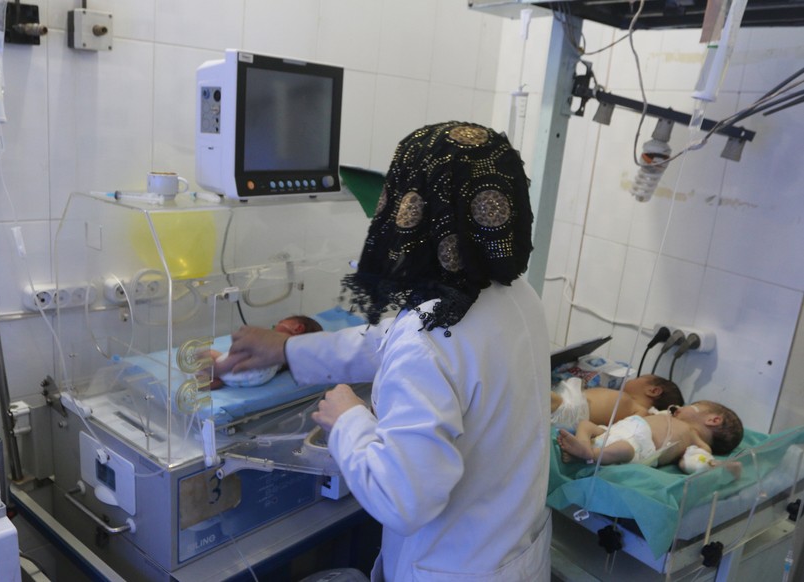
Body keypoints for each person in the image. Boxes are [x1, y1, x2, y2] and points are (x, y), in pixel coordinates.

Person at [216, 121, 552, 581]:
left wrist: (347, 419)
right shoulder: (511, 294)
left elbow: (402, 501)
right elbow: (388, 339)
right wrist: (289, 349)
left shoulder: (429, 337)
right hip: (513, 556)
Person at [556, 400, 744, 470]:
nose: (679, 407)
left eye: (692, 405)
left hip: (639, 447)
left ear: (713, 420)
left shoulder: (698, 442)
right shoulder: (666, 416)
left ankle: (591, 455)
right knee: (585, 424)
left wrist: (717, 465)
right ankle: (583, 446)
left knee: (623, 449)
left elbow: (693, 463)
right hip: (615, 430)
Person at [204, 315, 323, 388]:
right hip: (258, 377)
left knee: (248, 348)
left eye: (280, 322)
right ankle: (217, 379)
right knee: (219, 370)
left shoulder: (284, 338)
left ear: (298, 328)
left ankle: (218, 369)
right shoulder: (293, 354)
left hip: (252, 368)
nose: (275, 325)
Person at [550, 374, 683, 430]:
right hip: (570, 401)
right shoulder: (628, 401)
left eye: (638, 377)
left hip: (571, 411)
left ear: (653, 391)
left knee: (539, 395)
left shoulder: (641, 412)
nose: (631, 379)